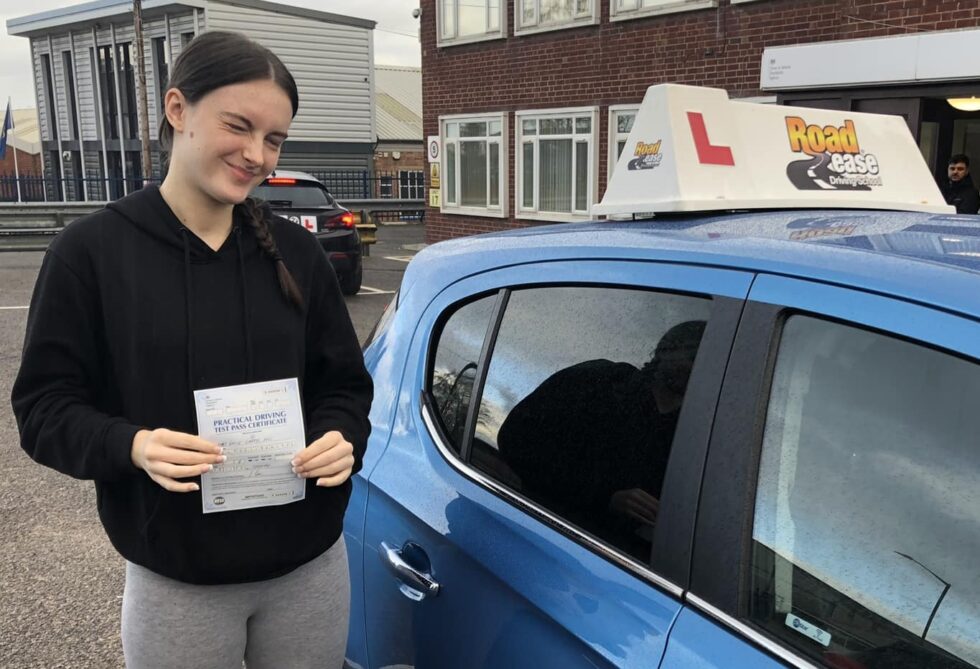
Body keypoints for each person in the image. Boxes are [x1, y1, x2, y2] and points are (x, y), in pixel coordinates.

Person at [10, 31, 373, 669]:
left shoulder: (297, 254)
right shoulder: (90, 253)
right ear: (178, 110)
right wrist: (133, 445)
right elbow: (43, 408)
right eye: (239, 125)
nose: (257, 154)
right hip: (179, 580)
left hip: (309, 569)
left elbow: (343, 385)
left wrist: (341, 434)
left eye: (275, 138)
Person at [494, 320, 706, 560]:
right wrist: (606, 496)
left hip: (625, 570)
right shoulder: (600, 382)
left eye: (706, 364)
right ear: (666, 350)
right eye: (692, 355)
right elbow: (516, 438)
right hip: (535, 538)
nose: (695, 368)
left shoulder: (696, 438)